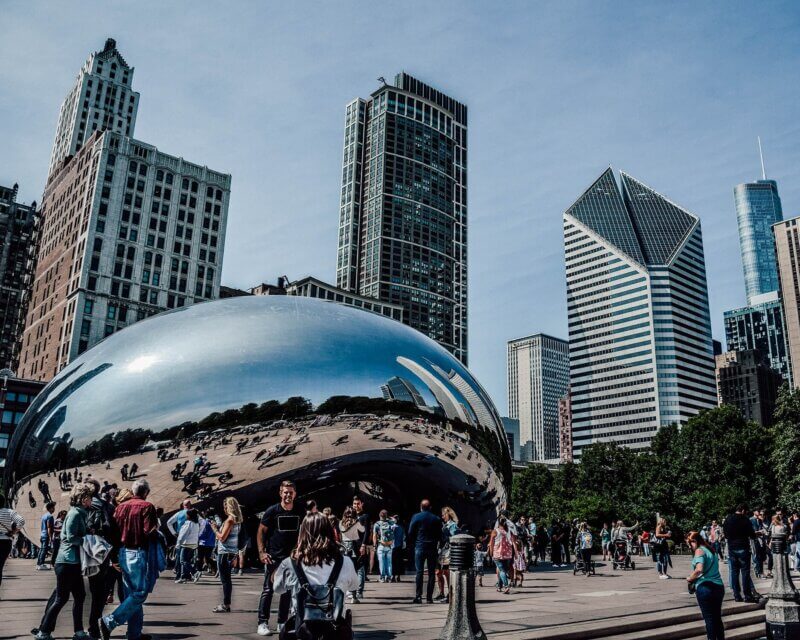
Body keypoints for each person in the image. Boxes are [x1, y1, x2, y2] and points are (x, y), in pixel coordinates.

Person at [273, 513, 359, 640]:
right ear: (330, 533)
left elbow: (278, 589)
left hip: (302, 630)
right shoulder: (344, 562)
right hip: (334, 630)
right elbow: (354, 585)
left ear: (302, 534)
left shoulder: (290, 563)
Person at [100, 478, 161, 640]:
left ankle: (134, 633)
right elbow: (149, 531)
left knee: (131, 596)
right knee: (140, 593)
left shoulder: (120, 508)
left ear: (133, 491)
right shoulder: (147, 506)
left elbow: (113, 531)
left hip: (122, 552)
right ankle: (109, 621)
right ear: (146, 492)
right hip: (138, 553)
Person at [35, 483, 93, 640]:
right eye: (90, 497)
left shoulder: (80, 512)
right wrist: (86, 540)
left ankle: (79, 631)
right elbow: (68, 537)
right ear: (84, 498)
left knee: (80, 596)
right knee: (62, 597)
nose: (91, 501)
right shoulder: (75, 513)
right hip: (67, 562)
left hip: (72, 562)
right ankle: (44, 632)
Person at [257, 480, 305, 635]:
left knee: (287, 591)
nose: (288, 495)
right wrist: (262, 552)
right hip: (273, 557)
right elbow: (261, 532)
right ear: (280, 493)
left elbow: (304, 532)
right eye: (285, 492)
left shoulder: (300, 510)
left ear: (295, 494)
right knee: (268, 589)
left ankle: (281, 622)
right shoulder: (272, 511)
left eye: (291, 492)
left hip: (291, 558)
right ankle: (262, 623)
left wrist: (300, 549)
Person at [86, 477, 120, 640]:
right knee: (98, 594)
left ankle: (47, 627)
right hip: (102, 554)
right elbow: (115, 534)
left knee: (67, 593)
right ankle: (94, 628)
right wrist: (114, 558)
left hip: (83, 554)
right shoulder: (109, 506)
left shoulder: (82, 508)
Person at [686, 531, 726, 640]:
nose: (690, 546)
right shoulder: (710, 549)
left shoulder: (699, 551)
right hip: (718, 586)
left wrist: (690, 578)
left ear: (693, 541)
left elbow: (699, 569)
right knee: (717, 618)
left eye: (689, 543)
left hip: (705, 588)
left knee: (709, 619)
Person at [211, 496, 242, 613]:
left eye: (225, 506)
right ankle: (226, 603)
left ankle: (226, 604)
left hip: (224, 553)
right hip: (232, 552)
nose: (224, 508)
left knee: (225, 580)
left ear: (229, 507)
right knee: (227, 579)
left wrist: (214, 529)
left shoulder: (230, 520)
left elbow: (222, 538)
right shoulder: (237, 520)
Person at [407, 499, 442, 604]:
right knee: (431, 573)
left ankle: (418, 596)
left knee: (419, 572)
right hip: (432, 548)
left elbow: (410, 532)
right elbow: (440, 534)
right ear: (430, 507)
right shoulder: (436, 519)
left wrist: (415, 541)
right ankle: (429, 597)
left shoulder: (416, 517)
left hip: (420, 547)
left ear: (421, 507)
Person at [349, 496, 371, 603]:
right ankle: (353, 591)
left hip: (360, 544)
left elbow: (367, 532)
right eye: (354, 504)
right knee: (352, 569)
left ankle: (359, 591)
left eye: (358, 504)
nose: (356, 506)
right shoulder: (351, 516)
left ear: (362, 504)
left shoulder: (365, 516)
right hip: (352, 545)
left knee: (361, 569)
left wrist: (364, 545)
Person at [435, 506, 459, 602]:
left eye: (443, 515)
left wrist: (446, 534)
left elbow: (454, 538)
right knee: (438, 572)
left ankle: (450, 594)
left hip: (447, 552)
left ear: (448, 514)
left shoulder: (453, 525)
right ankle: (441, 593)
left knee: (446, 573)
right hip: (440, 551)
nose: (442, 517)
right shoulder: (444, 525)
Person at [489, 518, 514, 594]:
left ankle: (506, 586)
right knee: (502, 570)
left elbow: (491, 543)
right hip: (507, 554)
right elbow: (512, 541)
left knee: (502, 570)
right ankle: (499, 587)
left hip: (497, 553)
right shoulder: (508, 531)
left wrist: (491, 553)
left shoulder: (495, 531)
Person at [175, 509, 200, 583]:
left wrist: (178, 544)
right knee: (187, 560)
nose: (186, 515)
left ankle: (195, 572)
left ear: (189, 515)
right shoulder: (196, 523)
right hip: (193, 544)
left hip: (186, 544)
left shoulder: (188, 523)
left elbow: (182, 535)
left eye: (186, 514)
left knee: (182, 561)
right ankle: (184, 577)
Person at [372, 510, 396, 583]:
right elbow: (394, 520)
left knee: (381, 562)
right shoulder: (390, 523)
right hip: (389, 545)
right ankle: (389, 577)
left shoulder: (377, 524)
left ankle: (382, 577)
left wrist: (374, 545)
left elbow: (374, 535)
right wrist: (389, 517)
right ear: (386, 516)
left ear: (379, 516)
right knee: (389, 562)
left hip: (381, 545)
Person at [37, 501, 56, 570]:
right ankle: (41, 564)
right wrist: (50, 537)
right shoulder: (50, 516)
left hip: (42, 534)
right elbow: (49, 527)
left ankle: (38, 564)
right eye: (53, 508)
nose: (54, 509)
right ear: (50, 508)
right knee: (44, 550)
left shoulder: (44, 515)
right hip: (46, 535)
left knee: (41, 549)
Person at [197, 509, 217, 575]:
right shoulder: (214, 522)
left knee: (200, 557)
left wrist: (198, 537)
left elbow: (202, 532)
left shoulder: (204, 522)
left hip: (203, 543)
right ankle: (215, 569)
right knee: (208, 558)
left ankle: (198, 571)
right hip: (211, 543)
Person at [390, 514, 405, 583]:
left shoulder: (392, 527)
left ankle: (393, 576)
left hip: (393, 546)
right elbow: (404, 537)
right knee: (398, 562)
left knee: (393, 562)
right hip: (399, 546)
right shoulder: (401, 527)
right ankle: (398, 576)